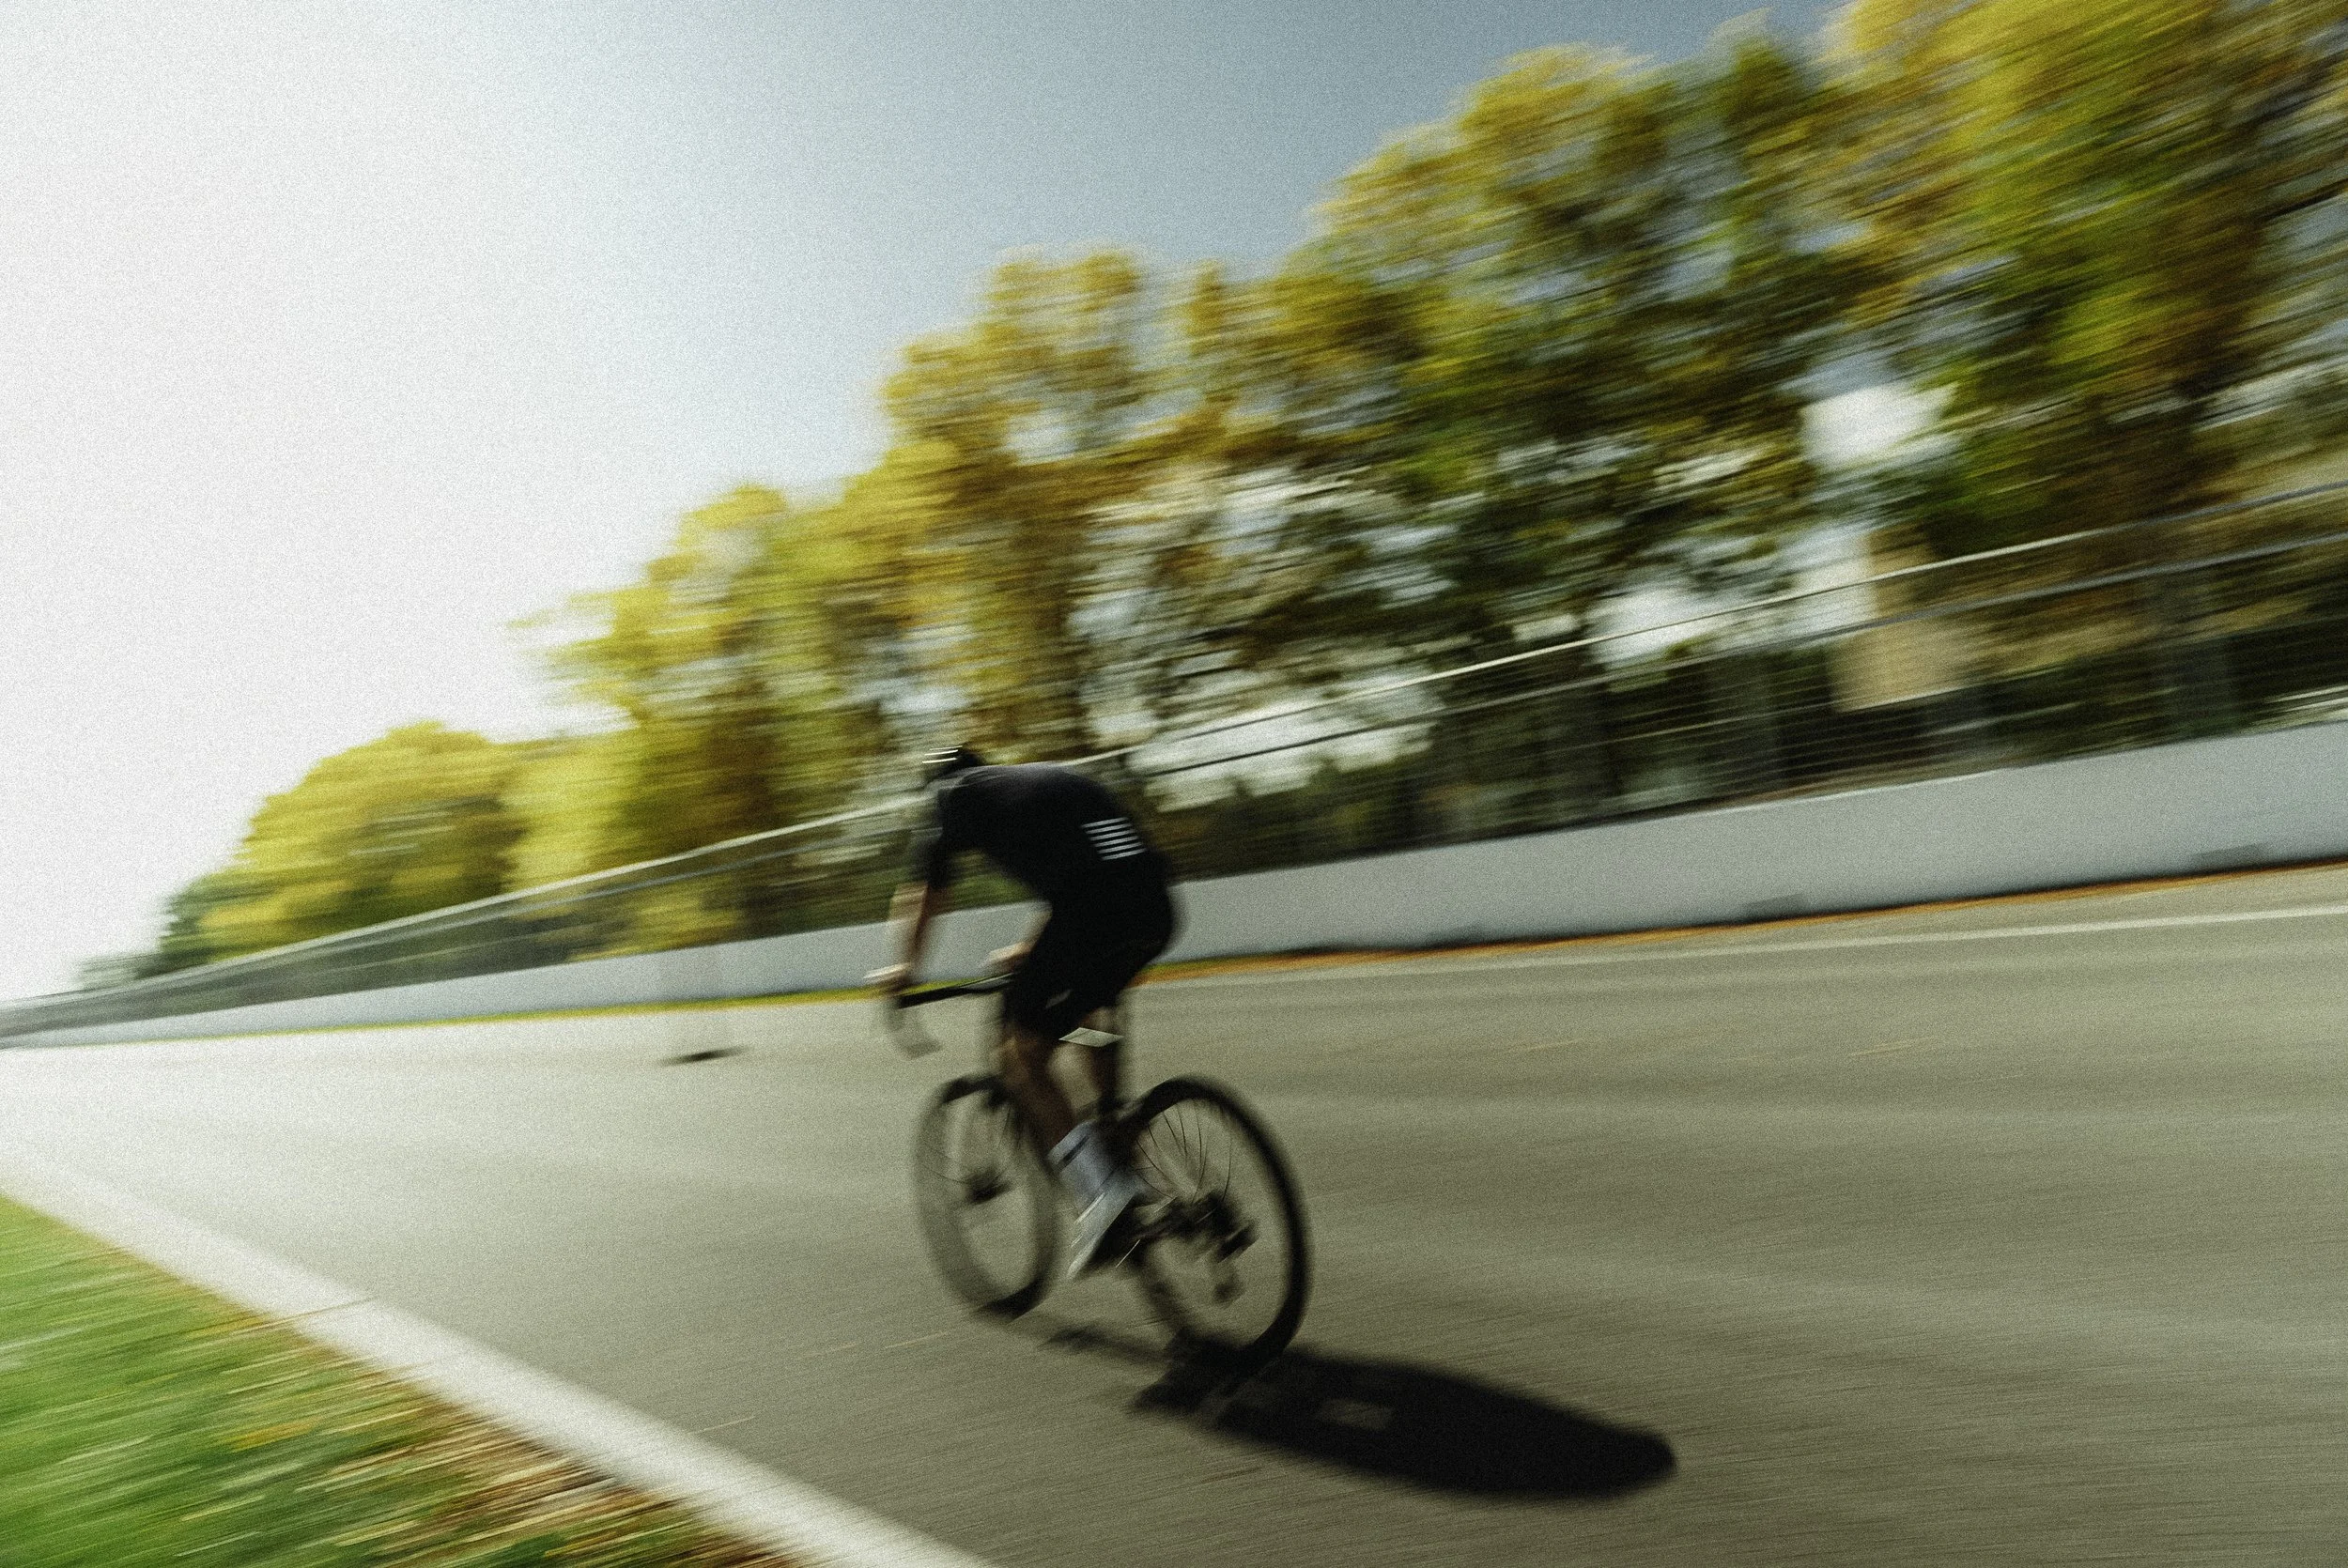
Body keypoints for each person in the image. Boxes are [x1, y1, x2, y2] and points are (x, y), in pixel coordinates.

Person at [870, 746, 1180, 1276]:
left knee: (1020, 1055)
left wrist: (903, 968)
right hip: (1155, 905)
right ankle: (1119, 1135)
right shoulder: (1030, 787)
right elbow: (1080, 880)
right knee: (1085, 1015)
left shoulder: (953, 793)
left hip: (1094, 909)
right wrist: (1030, 949)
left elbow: (926, 891)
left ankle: (1105, 1195)